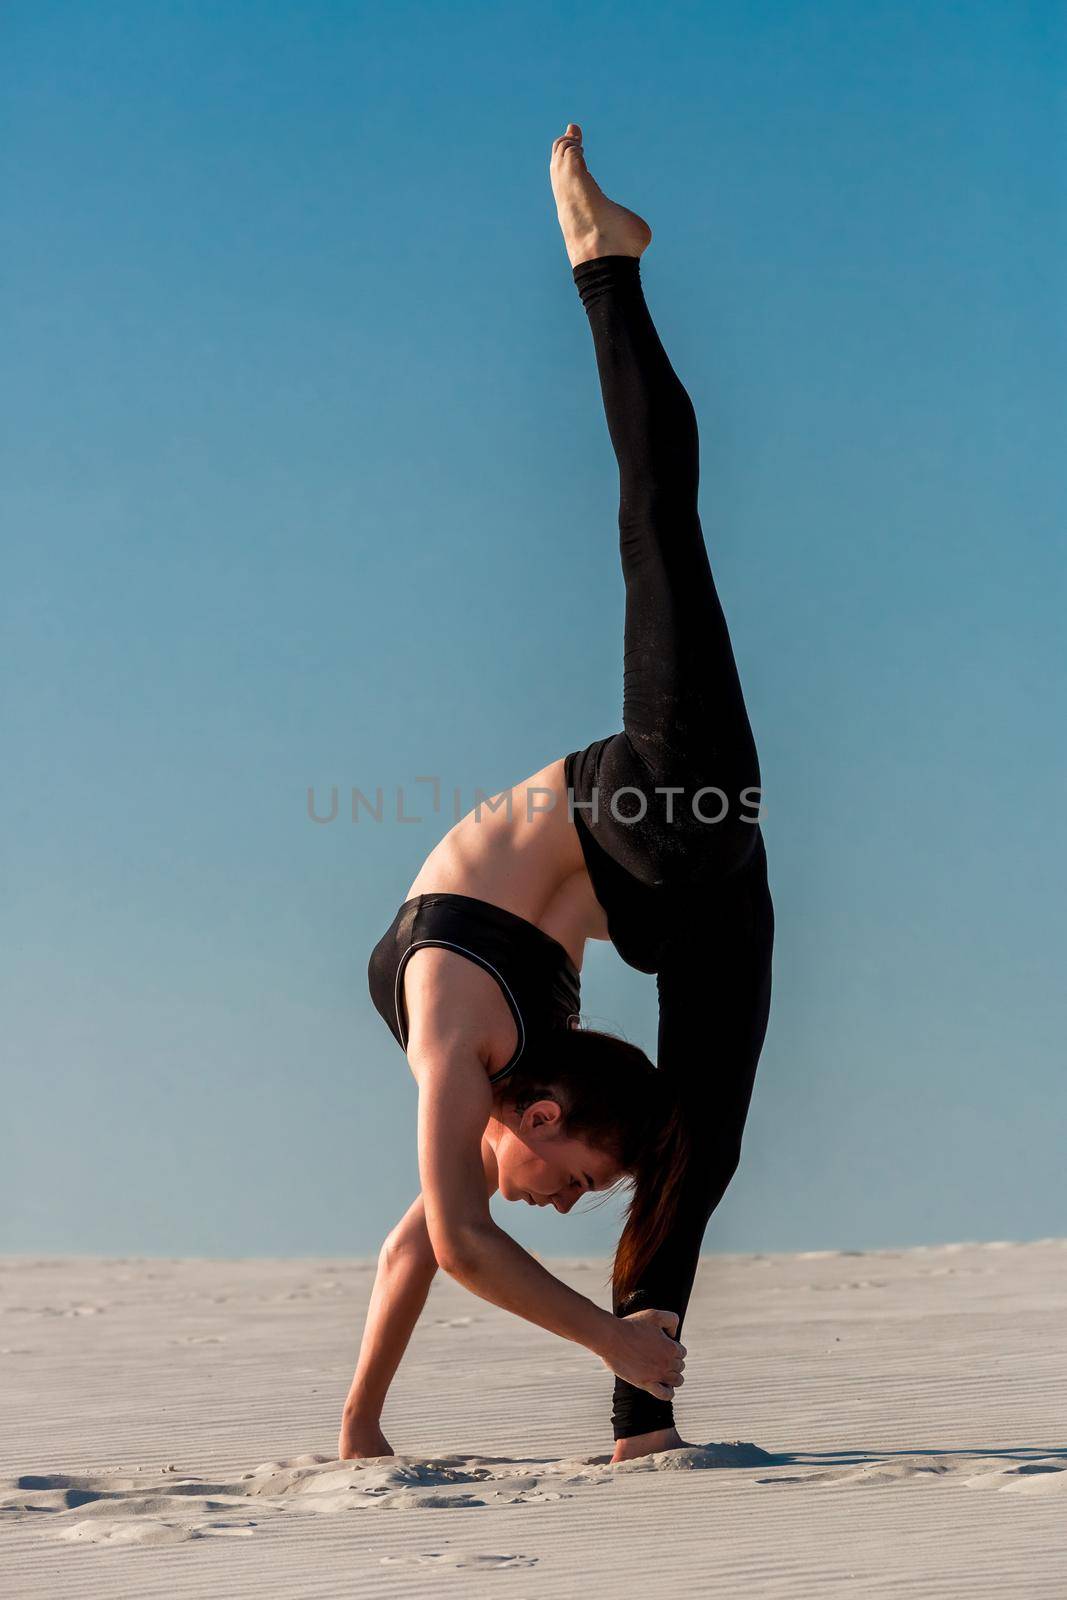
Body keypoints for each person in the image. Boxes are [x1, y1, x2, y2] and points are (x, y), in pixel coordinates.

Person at [338, 124, 774, 1464]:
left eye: (571, 1184)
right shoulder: (483, 1078)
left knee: (661, 527)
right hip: (676, 863)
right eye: (582, 1193)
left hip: (648, 808)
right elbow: (428, 1234)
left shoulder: (451, 1028)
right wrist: (360, 1424)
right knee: (700, 1141)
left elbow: (456, 1242)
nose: (564, 1206)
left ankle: (606, 268)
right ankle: (645, 1425)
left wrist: (601, 1331)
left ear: (534, 1116)